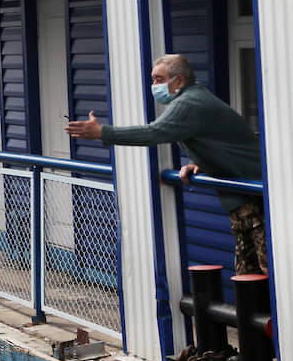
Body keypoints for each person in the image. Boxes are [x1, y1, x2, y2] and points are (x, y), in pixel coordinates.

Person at [65, 53, 266, 275]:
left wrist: (102, 132)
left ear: (178, 80)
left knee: (267, 272)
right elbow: (218, 139)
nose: (154, 85)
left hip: (257, 196)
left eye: (159, 79)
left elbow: (154, 133)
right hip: (244, 201)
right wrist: (199, 162)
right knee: (250, 276)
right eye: (153, 80)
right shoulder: (193, 97)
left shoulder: (190, 102)